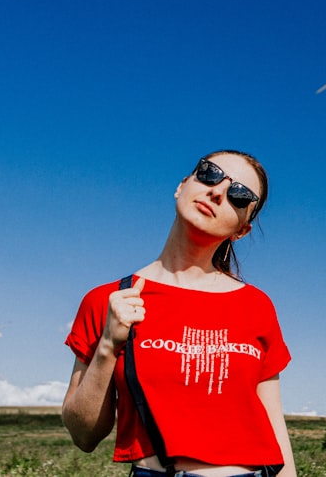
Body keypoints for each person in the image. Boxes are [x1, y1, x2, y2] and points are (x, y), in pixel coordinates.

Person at [62, 150, 295, 477]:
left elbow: (274, 422)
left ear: (242, 230)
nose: (217, 191)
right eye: (210, 174)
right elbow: (83, 435)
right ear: (182, 185)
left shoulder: (256, 305)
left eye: (239, 196)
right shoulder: (108, 299)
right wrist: (106, 348)